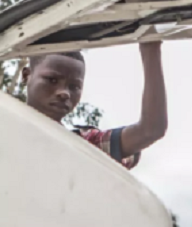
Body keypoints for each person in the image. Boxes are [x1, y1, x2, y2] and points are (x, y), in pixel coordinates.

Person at [22, 43, 168, 168]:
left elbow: (151, 130)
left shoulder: (85, 146)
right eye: (52, 80)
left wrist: (150, 48)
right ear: (26, 75)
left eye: (74, 87)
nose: (64, 93)